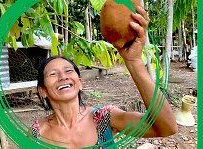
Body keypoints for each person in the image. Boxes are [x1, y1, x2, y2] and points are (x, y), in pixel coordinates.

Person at [29, 6, 178, 148]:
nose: (63, 77)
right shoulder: (37, 134)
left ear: (79, 83)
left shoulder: (103, 118)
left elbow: (167, 127)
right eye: (53, 74)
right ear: (42, 90)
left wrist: (134, 62)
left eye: (68, 71)